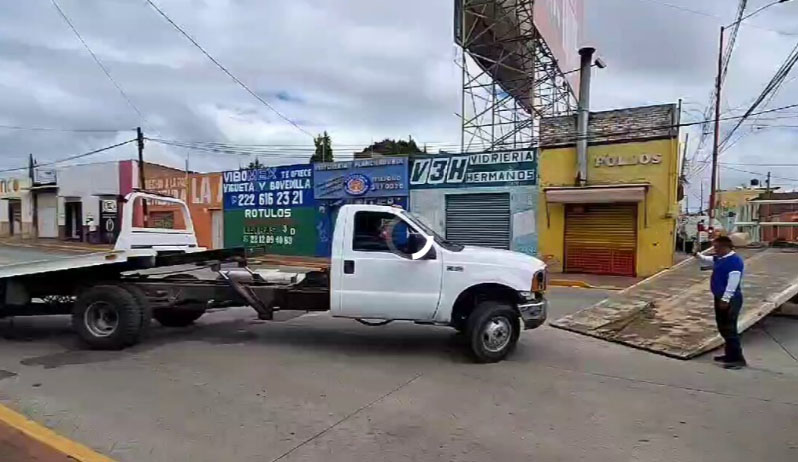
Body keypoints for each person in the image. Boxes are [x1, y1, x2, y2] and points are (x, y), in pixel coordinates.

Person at [695, 236, 746, 369]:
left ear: (725, 247)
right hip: (720, 297)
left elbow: (733, 282)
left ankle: (737, 359)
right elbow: (708, 260)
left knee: (729, 329)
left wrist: (725, 299)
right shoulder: (721, 258)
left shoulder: (734, 261)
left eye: (716, 247)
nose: (715, 250)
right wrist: (697, 255)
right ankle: (729, 355)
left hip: (730, 299)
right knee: (723, 327)